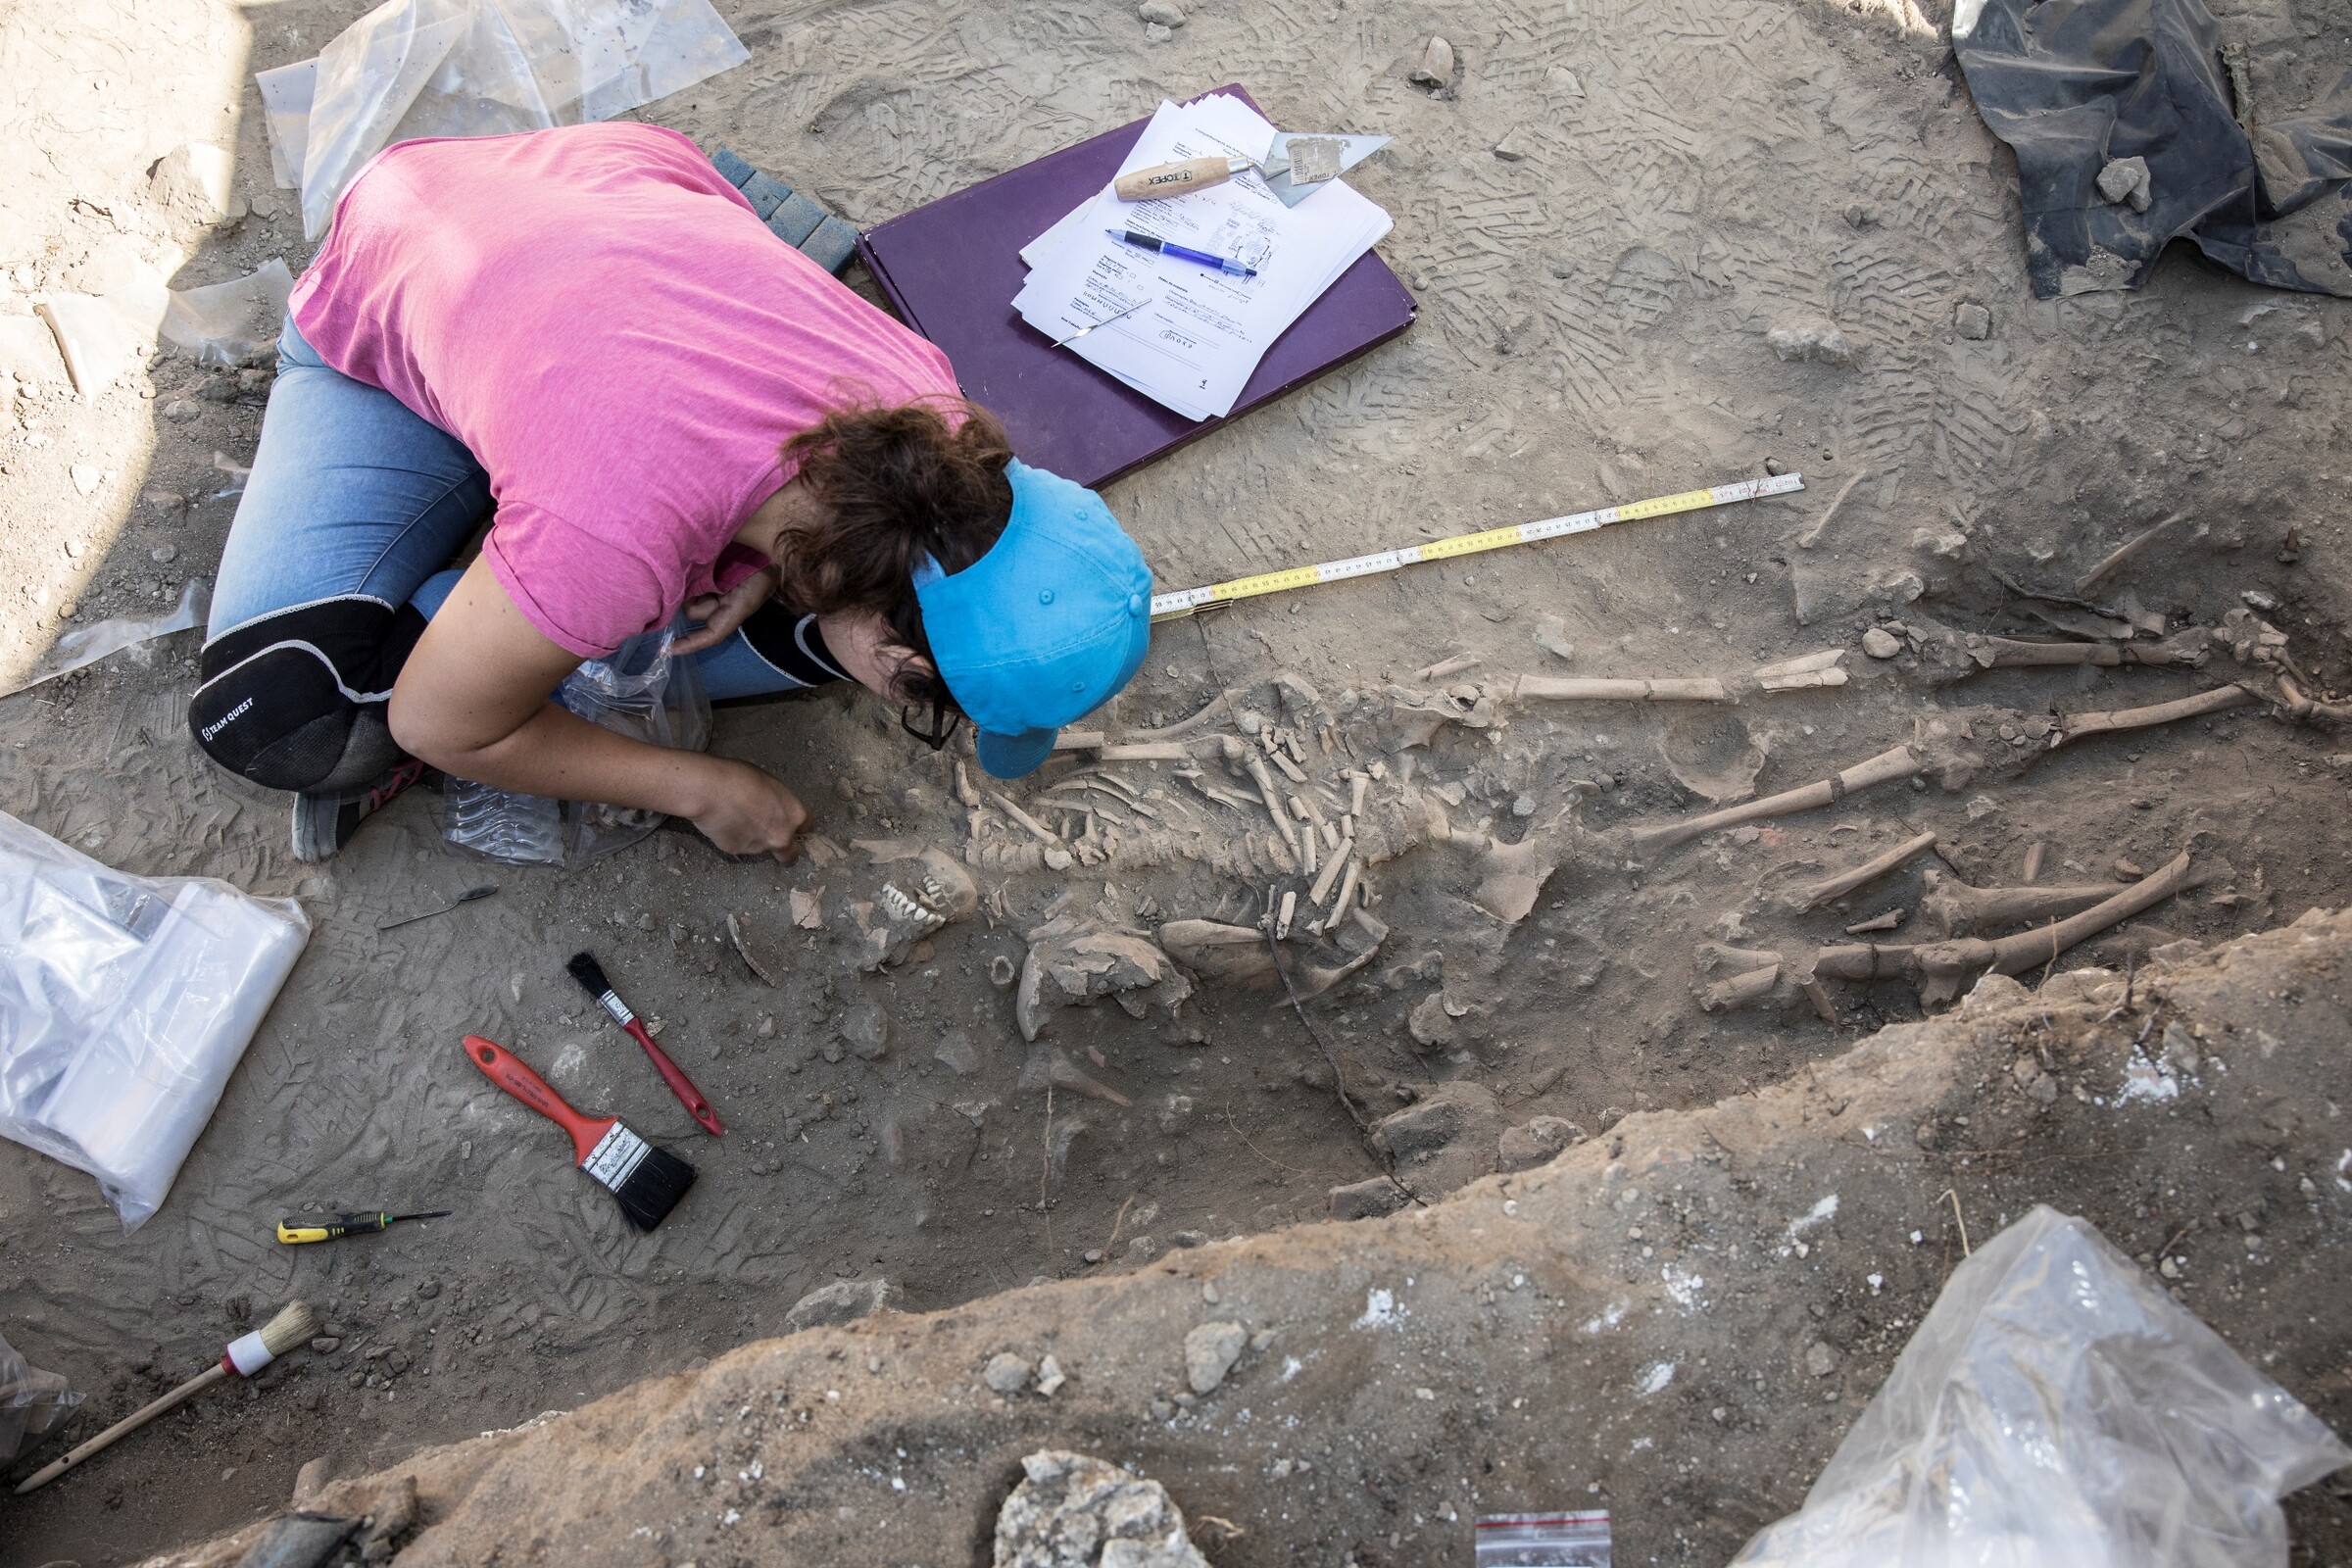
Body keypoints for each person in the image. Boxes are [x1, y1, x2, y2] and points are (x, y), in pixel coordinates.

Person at [190, 122, 1152, 863]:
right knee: (291, 714)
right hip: (392, 266)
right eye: (919, 693)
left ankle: (519, 529)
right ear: (898, 643)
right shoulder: (616, 534)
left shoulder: (932, 408)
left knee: (774, 625)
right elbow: (436, 725)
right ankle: (475, 578)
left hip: (589, 199)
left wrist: (762, 563)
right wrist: (693, 785)